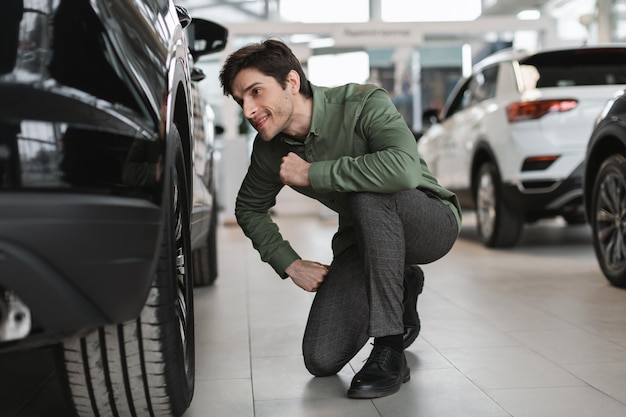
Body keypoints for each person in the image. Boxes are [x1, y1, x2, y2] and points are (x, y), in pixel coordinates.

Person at [219, 39, 461, 399]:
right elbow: (248, 208)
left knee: (367, 192)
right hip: (364, 240)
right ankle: (403, 283)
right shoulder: (270, 150)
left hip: (429, 222)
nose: (249, 110)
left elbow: (404, 170)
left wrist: (313, 173)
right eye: (241, 101)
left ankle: (390, 347)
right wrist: (290, 263)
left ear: (292, 82)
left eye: (256, 92)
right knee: (321, 358)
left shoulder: (362, 103)